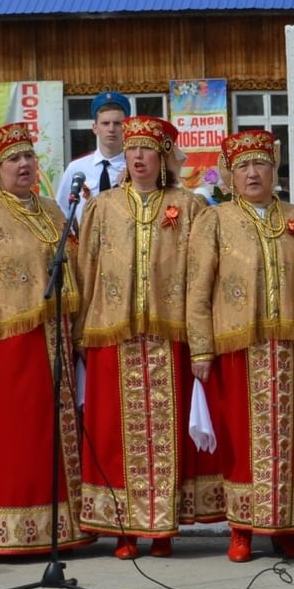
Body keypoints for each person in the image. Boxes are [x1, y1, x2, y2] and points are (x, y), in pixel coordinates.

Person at [76, 117, 213, 557]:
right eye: (132, 150)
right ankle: (123, 529)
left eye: (148, 151)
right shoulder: (102, 207)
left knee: (166, 431)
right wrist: (83, 329)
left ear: (163, 158)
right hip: (113, 333)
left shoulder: (189, 206)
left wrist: (198, 335)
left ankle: (163, 528)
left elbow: (198, 275)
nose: (138, 157)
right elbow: (86, 270)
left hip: (167, 332)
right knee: (116, 431)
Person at [0, 123, 90, 556]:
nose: (25, 165)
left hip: (55, 336)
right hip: (7, 342)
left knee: (52, 431)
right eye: (14, 159)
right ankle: (6, 529)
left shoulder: (52, 209)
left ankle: (60, 526)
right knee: (15, 434)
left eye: (29, 156)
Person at [188, 130, 294, 563]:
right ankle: (242, 527)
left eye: (260, 164)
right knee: (241, 440)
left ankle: (287, 529)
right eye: (243, 165)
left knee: (292, 441)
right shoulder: (216, 219)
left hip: (289, 348)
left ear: (274, 170)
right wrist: (201, 348)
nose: (252, 172)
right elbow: (198, 287)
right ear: (230, 174)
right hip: (237, 347)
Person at [57, 91, 131, 222]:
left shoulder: (134, 168)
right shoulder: (76, 169)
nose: (111, 129)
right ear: (95, 128)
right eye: (105, 123)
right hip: (85, 240)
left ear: (127, 128)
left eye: (118, 123)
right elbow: (61, 212)